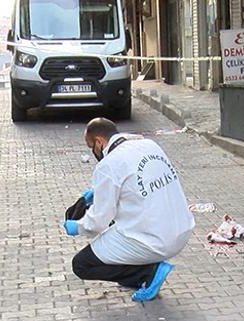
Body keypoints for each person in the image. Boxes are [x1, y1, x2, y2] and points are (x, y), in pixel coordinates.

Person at [63, 118, 195, 302]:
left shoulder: (107, 165)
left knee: (81, 264)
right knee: (115, 228)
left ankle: (148, 273)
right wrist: (98, 192)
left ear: (99, 142)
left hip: (155, 240)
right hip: (182, 229)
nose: (93, 152)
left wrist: (76, 226)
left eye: (91, 146)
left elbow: (97, 223)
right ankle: (136, 273)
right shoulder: (149, 145)